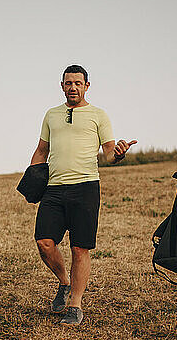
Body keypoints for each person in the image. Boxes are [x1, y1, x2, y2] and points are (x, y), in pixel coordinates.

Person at [30, 64, 137, 325]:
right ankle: (65, 283)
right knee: (44, 242)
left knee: (80, 248)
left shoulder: (98, 115)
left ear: (87, 86)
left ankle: (75, 305)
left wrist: (119, 154)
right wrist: (32, 183)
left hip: (86, 187)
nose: (73, 87)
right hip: (54, 188)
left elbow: (109, 153)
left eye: (78, 83)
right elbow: (42, 150)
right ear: (62, 85)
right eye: (68, 83)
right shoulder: (51, 115)